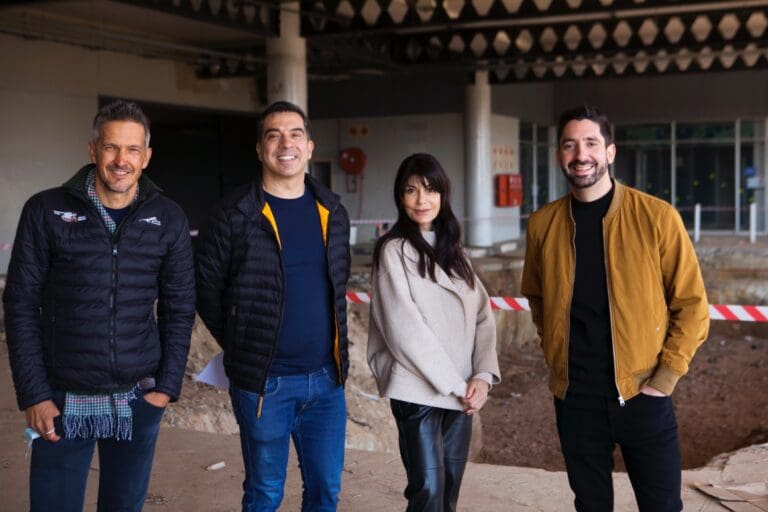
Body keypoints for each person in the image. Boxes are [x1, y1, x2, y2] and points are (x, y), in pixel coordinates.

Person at [3, 99, 196, 512]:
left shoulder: (169, 218)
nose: (120, 160)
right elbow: (20, 305)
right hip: (60, 400)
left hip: (137, 398)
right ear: (92, 151)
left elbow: (180, 308)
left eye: (131, 150)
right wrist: (34, 395)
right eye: (111, 147)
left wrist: (165, 389)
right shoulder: (45, 210)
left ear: (146, 156)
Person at [521, 105, 710, 511]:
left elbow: (693, 305)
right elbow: (537, 297)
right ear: (559, 155)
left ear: (609, 152)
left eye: (591, 143)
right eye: (569, 145)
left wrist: (666, 377)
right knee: (591, 506)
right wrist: (556, 351)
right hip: (575, 397)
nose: (580, 154)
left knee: (662, 506)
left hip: (644, 392)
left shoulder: (657, 217)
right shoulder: (542, 225)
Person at [195, 100, 351, 512]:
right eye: (274, 135)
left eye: (295, 134)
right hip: (266, 384)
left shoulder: (332, 211)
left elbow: (338, 286)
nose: (286, 143)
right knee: (265, 494)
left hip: (327, 382)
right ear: (261, 149)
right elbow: (207, 291)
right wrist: (246, 341)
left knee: (326, 493)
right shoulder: (233, 215)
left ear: (310, 147)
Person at [367, 153, 500, 512]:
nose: (422, 200)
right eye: (411, 191)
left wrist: (483, 378)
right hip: (419, 390)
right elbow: (403, 330)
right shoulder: (393, 251)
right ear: (400, 197)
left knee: (450, 490)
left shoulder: (456, 252)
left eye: (430, 190)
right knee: (427, 487)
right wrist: (458, 386)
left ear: (443, 195)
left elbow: (482, 317)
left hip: (462, 393)